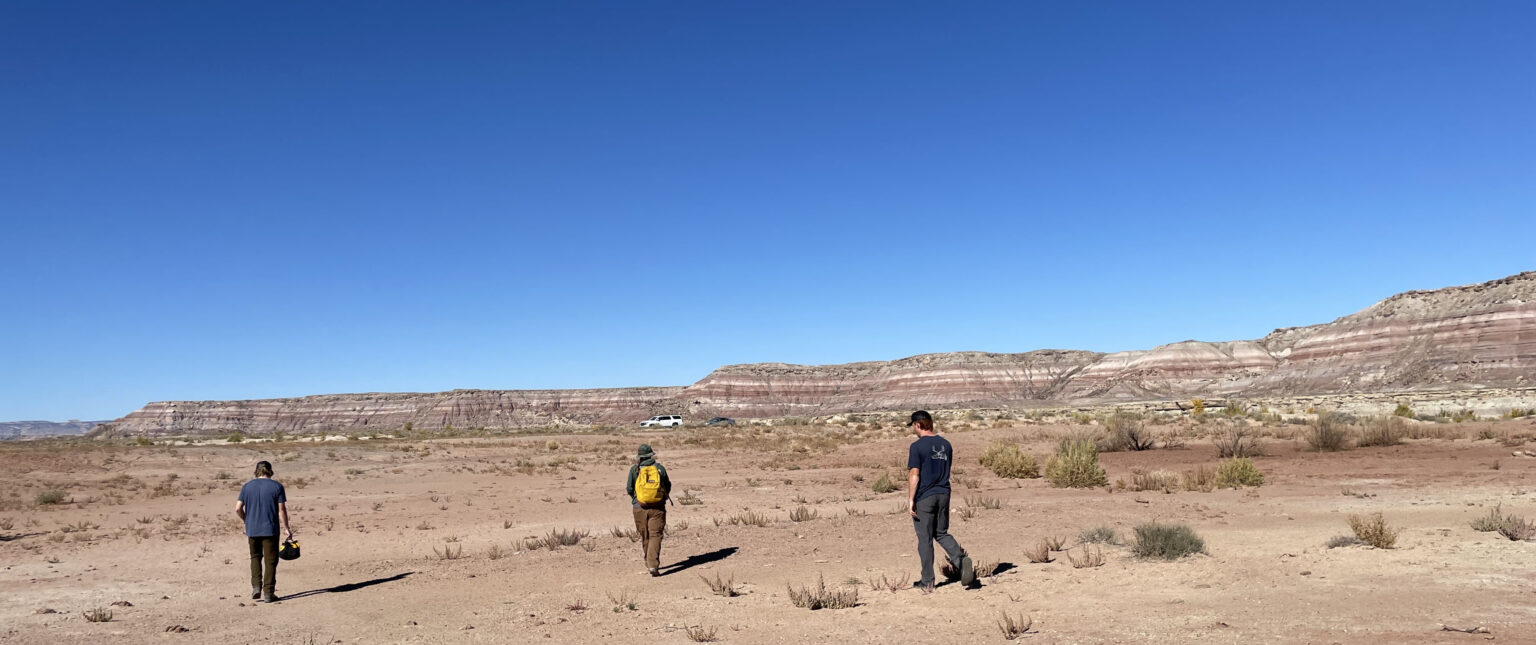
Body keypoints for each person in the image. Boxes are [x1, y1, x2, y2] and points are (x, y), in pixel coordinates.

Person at [906, 410, 975, 591]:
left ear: (918, 425)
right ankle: (961, 561)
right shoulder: (946, 444)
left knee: (925, 539)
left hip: (925, 497)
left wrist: (911, 499)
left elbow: (915, 474)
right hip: (944, 493)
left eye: (913, 426)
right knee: (942, 532)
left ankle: (927, 581)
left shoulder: (917, 446)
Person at [235, 460, 293, 602]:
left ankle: (256, 586)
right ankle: (268, 592)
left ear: (257, 470)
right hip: (270, 530)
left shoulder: (247, 487)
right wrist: (286, 528)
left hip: (252, 529)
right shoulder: (277, 486)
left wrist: (246, 521)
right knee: (270, 561)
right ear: (270, 470)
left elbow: (237, 508)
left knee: (255, 557)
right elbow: (281, 510)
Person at [624, 443, 671, 576]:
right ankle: (652, 564)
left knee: (645, 535)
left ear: (639, 457)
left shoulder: (634, 470)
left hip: (639, 508)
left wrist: (637, 498)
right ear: (651, 455)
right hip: (657, 507)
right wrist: (661, 498)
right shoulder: (660, 469)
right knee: (655, 535)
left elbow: (629, 488)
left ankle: (648, 561)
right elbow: (667, 486)